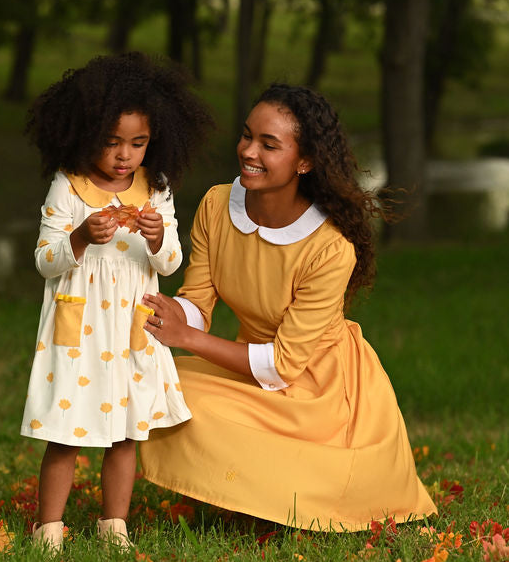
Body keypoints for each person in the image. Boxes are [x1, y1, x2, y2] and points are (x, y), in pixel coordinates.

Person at [140, 83, 437, 532]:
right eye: (247, 135)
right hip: (248, 364)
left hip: (319, 389)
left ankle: (273, 502)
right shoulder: (218, 205)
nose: (248, 151)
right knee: (162, 382)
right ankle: (250, 498)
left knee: (301, 476)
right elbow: (198, 299)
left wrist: (189, 339)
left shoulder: (331, 247)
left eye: (269, 144)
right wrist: (173, 315)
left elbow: (282, 365)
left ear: (305, 161)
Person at [21, 52, 213, 551]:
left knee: (126, 432)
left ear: (155, 140)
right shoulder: (69, 186)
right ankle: (50, 528)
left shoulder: (157, 189)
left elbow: (171, 263)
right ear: (84, 134)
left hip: (131, 328)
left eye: (137, 143)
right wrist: (81, 237)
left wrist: (155, 238)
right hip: (80, 330)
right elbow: (45, 260)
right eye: (111, 143)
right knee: (66, 431)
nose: (124, 155)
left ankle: (114, 526)